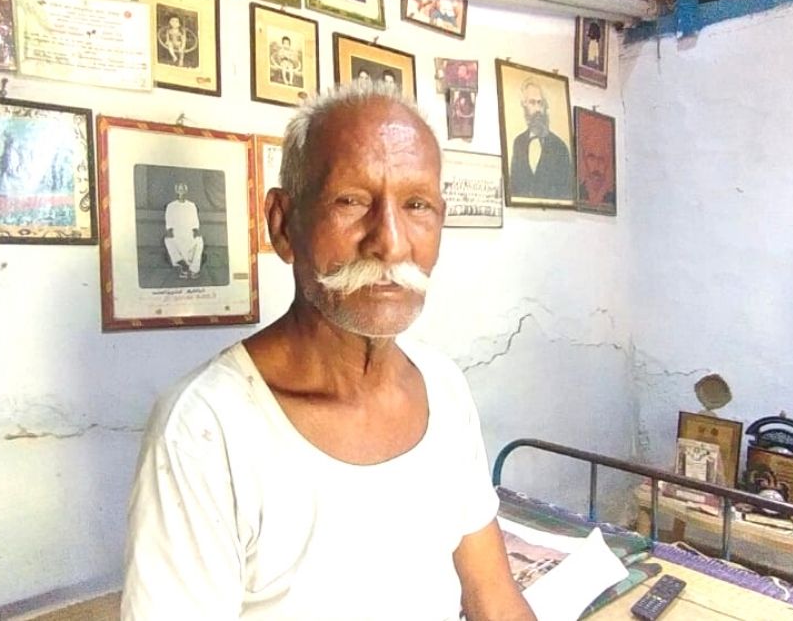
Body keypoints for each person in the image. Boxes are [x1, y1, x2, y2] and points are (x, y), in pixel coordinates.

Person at [122, 83, 534, 620]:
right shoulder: (205, 430)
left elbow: (493, 599)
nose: (390, 242)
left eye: (417, 205)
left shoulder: (443, 388)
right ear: (283, 224)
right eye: (352, 201)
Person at [508, 78, 573, 199]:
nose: (538, 109)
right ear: (524, 106)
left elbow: (566, 193)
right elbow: (513, 187)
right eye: (532, 103)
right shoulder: (518, 143)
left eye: (540, 103)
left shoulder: (559, 147)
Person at [162, 182, 204, 279]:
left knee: (199, 241)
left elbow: (195, 221)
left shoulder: (191, 205)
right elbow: (169, 221)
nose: (181, 192)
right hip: (177, 233)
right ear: (176, 191)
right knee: (168, 241)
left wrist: (195, 231)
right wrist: (170, 231)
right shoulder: (171, 206)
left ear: (186, 191)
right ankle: (183, 266)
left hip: (188, 232)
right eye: (179, 189)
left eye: (183, 189)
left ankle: (194, 270)